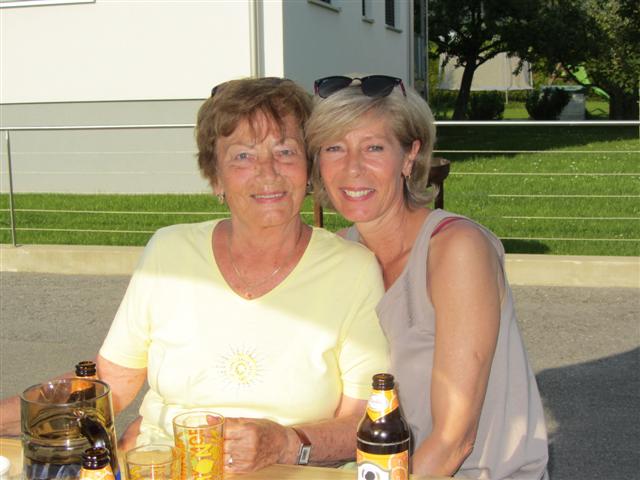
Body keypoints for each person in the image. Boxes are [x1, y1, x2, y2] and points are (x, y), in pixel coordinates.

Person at [0, 77, 389, 473]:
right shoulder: (169, 252)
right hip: (163, 465)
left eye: (285, 151)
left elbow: (367, 418)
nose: (267, 171)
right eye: (243, 156)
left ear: (308, 169)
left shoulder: (352, 270)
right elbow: (110, 384)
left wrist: (287, 443)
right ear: (215, 177)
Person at [305, 75, 549, 479]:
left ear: (410, 156)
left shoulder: (456, 249)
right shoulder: (339, 255)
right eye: (334, 148)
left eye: (374, 147)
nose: (352, 167)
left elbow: (455, 441)